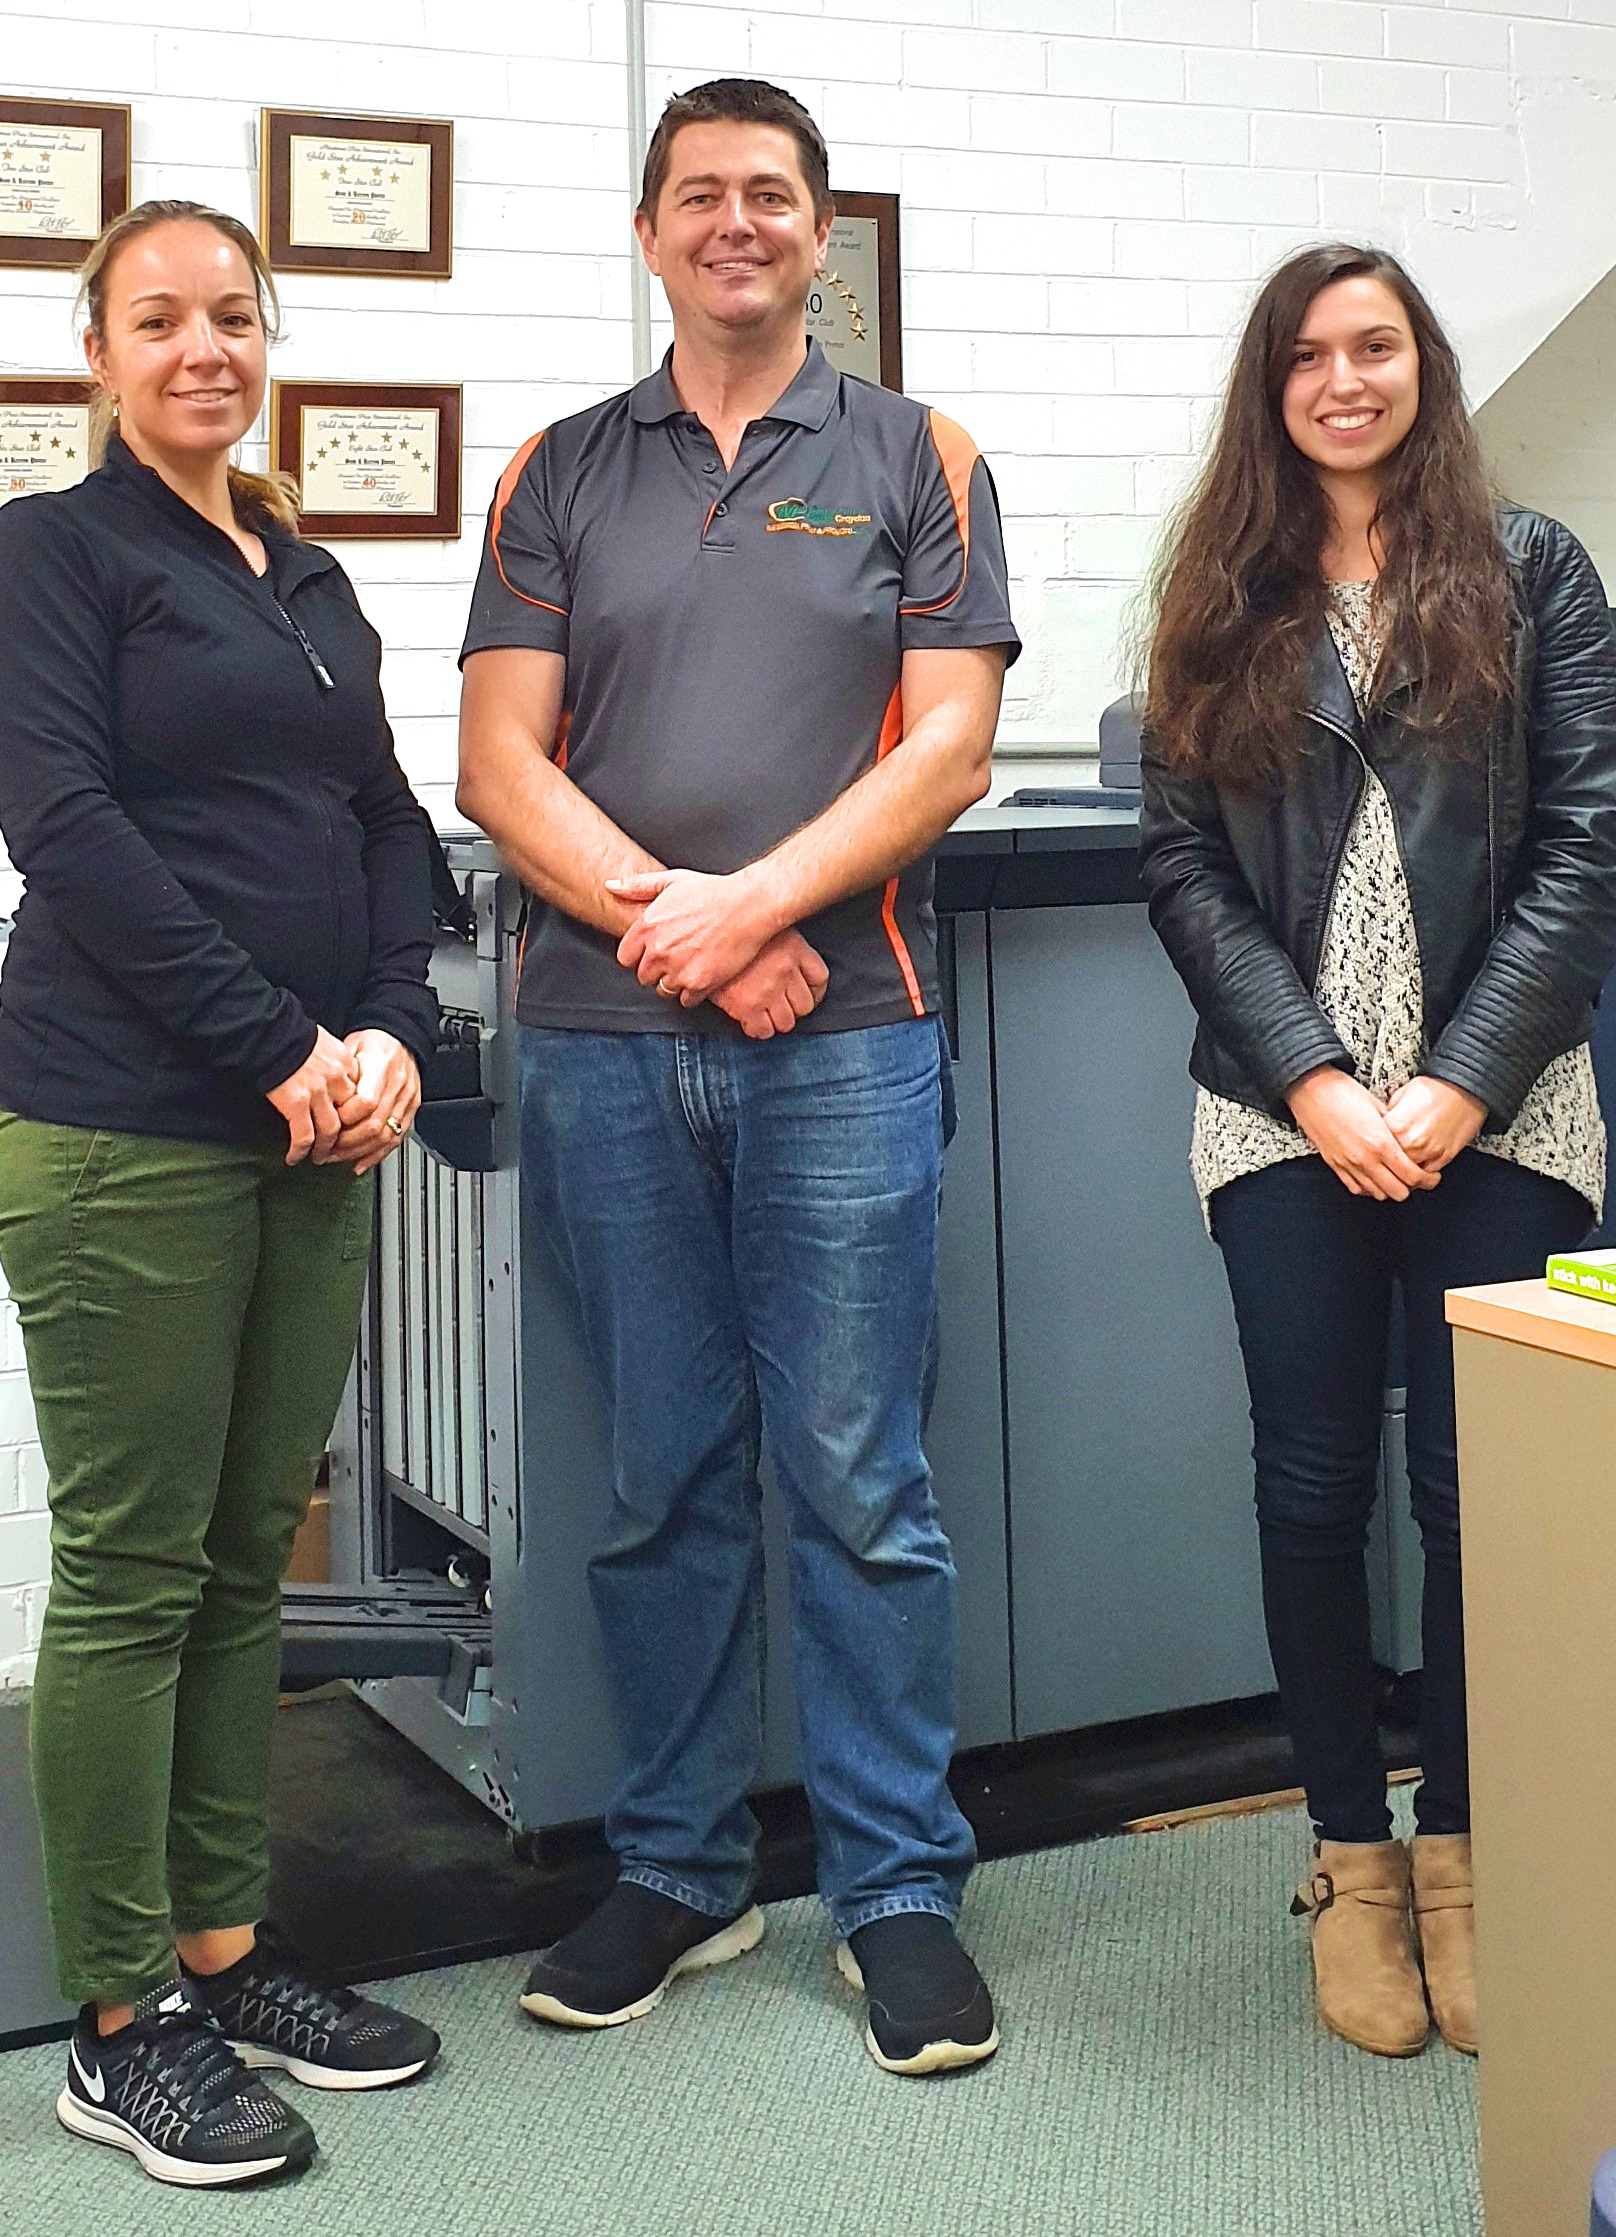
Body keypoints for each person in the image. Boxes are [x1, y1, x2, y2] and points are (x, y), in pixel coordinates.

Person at [458, 78, 1019, 2075]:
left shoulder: (916, 453)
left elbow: (945, 745)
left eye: (767, 195)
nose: (734, 223)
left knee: (861, 1480)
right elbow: (498, 759)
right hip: (610, 1053)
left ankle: (893, 1889)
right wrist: (668, 926)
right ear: (648, 232)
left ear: (817, 234)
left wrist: (758, 905)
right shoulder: (556, 469)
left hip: (845, 1045)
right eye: (698, 194)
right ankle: (684, 1868)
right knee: (658, 1477)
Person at [0, 200, 443, 2187]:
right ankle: (117, 2019)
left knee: (247, 1553)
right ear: (97, 357)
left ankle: (222, 1948)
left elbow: (382, 822)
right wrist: (281, 1049)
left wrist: (388, 1030)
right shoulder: (51, 555)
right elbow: (69, 831)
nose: (203, 349)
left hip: (307, 1133)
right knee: (131, 1569)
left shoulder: (307, 575)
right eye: (159, 321)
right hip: (120, 1130)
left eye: (233, 317)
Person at [1140, 243, 1616, 2059]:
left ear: (1424, 364)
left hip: (1509, 1108)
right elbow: (1180, 867)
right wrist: (1318, 1081)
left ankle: (1472, 1865)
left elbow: (1586, 847)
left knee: (1481, 1495)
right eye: (1310, 356)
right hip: (1285, 1114)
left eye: (1379, 346)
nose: (1346, 379)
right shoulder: (1219, 591)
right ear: (1272, 388)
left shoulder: (1536, 569)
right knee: (1314, 1484)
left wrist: (1462, 1083)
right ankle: (1352, 1858)